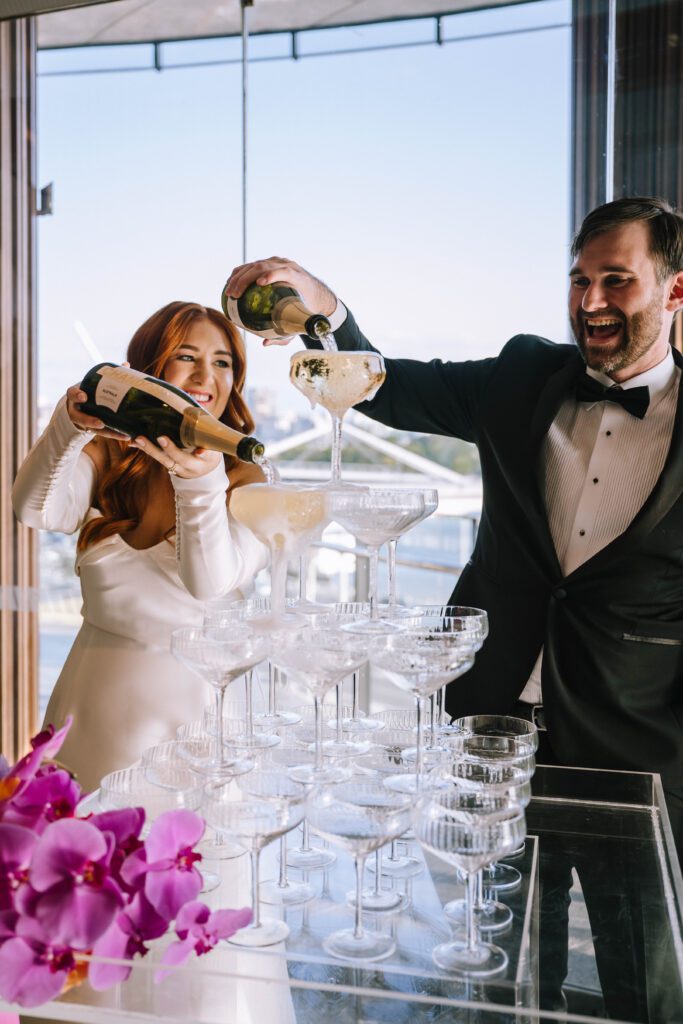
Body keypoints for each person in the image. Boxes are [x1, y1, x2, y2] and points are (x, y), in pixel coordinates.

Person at [225, 199, 683, 1020]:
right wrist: (322, 307)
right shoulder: (520, 379)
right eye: (579, 280)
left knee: (643, 983)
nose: (590, 303)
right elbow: (383, 387)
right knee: (494, 971)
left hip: (638, 755)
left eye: (617, 281)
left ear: (674, 289)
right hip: (480, 732)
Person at [12, 301, 268, 792]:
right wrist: (68, 427)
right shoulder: (105, 457)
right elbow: (35, 510)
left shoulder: (243, 476)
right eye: (186, 356)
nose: (204, 375)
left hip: (196, 723)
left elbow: (207, 583)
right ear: (152, 369)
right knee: (82, 852)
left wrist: (199, 481)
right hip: (90, 705)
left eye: (222, 362)